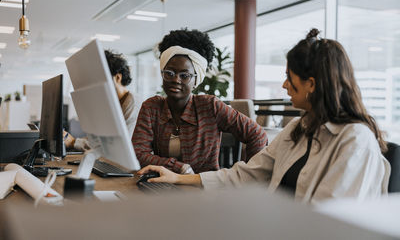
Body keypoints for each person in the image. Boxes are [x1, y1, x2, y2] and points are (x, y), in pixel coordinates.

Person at [138, 28, 391, 203]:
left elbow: (328, 221)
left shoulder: (355, 141)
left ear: (311, 84)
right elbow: (245, 174)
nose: (284, 86)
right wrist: (179, 177)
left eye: (289, 78)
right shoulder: (298, 129)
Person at [132, 28, 267, 174]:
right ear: (162, 75)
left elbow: (257, 134)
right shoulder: (152, 107)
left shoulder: (210, 106)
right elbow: (138, 153)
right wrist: (180, 167)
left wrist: (248, 177)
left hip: (203, 188)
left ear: (196, 81)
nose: (176, 80)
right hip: (162, 184)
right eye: (169, 73)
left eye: (185, 75)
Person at [64, 50, 140, 151]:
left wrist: (74, 142)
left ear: (117, 78)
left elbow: (118, 147)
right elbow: (99, 140)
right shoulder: (111, 104)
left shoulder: (134, 106)